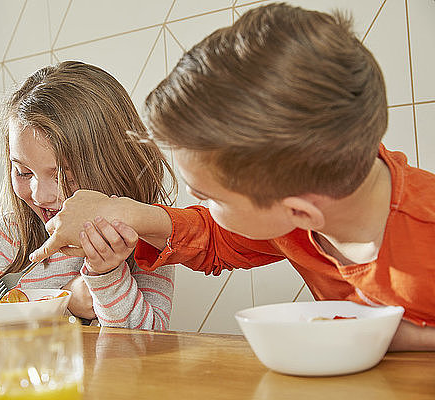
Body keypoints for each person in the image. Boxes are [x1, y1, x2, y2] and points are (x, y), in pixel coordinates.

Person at [28, 4, 435, 350]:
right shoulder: (300, 205)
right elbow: (217, 238)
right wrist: (123, 213)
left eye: (210, 196)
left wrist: (403, 337)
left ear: (301, 213)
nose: (194, 196)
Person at [0, 61, 176, 330]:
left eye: (65, 176)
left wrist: (106, 274)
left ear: (112, 165)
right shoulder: (10, 235)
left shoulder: (146, 232)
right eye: (23, 173)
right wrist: (64, 300)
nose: (40, 195)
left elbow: (150, 343)